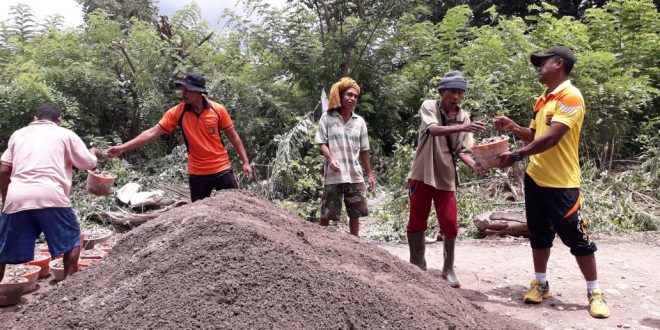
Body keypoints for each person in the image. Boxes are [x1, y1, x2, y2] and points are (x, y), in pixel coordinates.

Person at [494, 46, 610, 318]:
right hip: (536, 178)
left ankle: (594, 291)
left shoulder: (571, 96)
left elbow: (552, 138)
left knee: (576, 237)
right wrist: (512, 127)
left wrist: (515, 155)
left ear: (558, 63)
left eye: (542, 63)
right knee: (538, 234)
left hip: (562, 183)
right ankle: (540, 282)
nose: (538, 68)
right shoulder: (543, 98)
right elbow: (534, 135)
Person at [107, 73, 252, 202]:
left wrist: (245, 162)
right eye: (183, 89)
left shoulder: (218, 110)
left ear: (200, 92)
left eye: (188, 89)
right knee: (199, 215)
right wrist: (122, 147)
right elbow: (152, 133)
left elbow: (233, 136)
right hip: (197, 172)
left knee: (236, 206)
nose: (184, 93)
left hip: (222, 168)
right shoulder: (177, 113)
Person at [0, 103, 101, 282]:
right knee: (72, 241)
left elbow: (3, 170)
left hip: (17, 197)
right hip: (50, 195)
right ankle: (68, 287)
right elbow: (88, 164)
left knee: (2, 251)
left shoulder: (18, 134)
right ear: (58, 121)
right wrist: (93, 153)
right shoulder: (65, 134)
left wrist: (6, 201)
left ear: (35, 119)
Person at [406, 71, 485, 288]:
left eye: (460, 93)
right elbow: (433, 130)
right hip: (422, 172)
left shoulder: (463, 116)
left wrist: (475, 165)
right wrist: (463, 127)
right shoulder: (429, 106)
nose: (456, 97)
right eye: (452, 91)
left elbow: (461, 149)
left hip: (445, 175)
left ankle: (448, 267)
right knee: (417, 219)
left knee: (450, 223)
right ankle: (417, 263)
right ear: (441, 92)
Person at [314, 77, 375, 237]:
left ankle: (355, 246)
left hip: (354, 175)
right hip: (334, 176)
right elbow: (321, 142)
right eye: (349, 94)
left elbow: (364, 150)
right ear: (340, 96)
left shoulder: (359, 122)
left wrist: (369, 174)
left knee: (355, 214)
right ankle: (318, 244)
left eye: (355, 96)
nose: (352, 98)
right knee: (327, 214)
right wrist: (330, 158)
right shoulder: (327, 118)